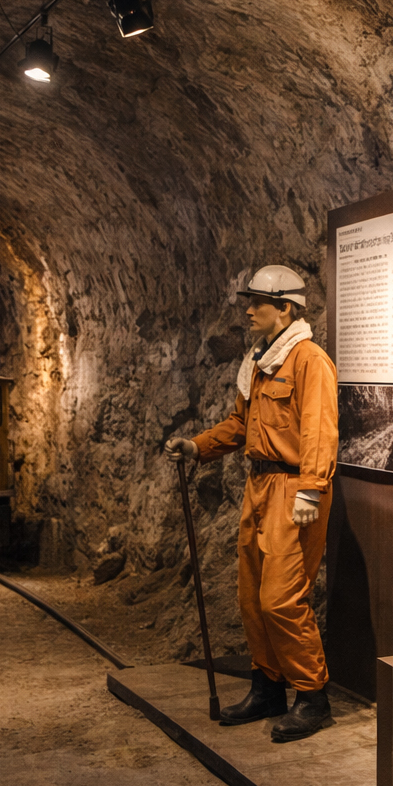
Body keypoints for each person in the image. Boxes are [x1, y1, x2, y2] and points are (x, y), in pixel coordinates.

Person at [164, 265, 339, 743]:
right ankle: (268, 688)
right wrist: (198, 446)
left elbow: (319, 429)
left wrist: (311, 488)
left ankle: (312, 695)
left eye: (258, 302)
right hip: (259, 486)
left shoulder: (308, 360)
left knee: (281, 598)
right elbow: (241, 424)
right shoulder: (260, 362)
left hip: (292, 489)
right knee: (252, 597)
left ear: (285, 308)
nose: (248, 310)